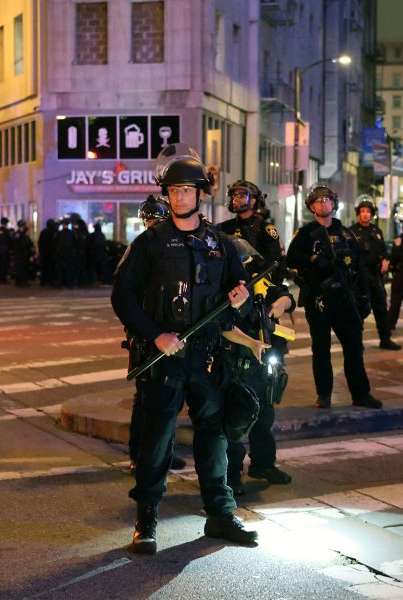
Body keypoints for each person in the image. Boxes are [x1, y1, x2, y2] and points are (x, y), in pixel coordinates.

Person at [112, 143, 258, 554]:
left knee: (213, 436)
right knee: (156, 439)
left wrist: (240, 299)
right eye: (172, 191)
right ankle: (146, 520)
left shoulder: (220, 243)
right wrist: (155, 335)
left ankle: (221, 513)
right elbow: (122, 295)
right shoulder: (151, 242)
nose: (179, 197)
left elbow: (240, 295)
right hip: (165, 357)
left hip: (207, 355)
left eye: (186, 190)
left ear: (200, 194)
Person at [286, 183, 381, 410]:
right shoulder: (305, 234)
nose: (323, 203)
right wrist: (313, 260)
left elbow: (360, 271)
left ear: (334, 203)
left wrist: (365, 297)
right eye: (318, 200)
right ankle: (324, 395)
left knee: (354, 348)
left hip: (345, 299)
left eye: (327, 199)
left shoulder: (346, 234)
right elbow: (290, 260)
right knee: (321, 349)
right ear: (311, 206)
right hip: (318, 300)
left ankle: (361, 394)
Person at [224, 239, 295, 496]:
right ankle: (231, 476)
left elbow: (285, 295)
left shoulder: (260, 278)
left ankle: (263, 465)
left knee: (265, 416)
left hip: (263, 359)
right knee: (235, 421)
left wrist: (281, 303)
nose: (245, 264)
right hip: (236, 361)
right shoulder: (223, 281)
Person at [125, 195, 186, 474]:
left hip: (168, 329)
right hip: (145, 333)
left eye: (156, 219)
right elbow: (125, 294)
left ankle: (161, 451)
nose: (151, 224)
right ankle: (139, 455)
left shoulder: (171, 248)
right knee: (146, 397)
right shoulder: (139, 249)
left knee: (167, 398)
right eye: (147, 219)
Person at [350, 196, 400, 350]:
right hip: (358, 277)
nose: (365, 214)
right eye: (362, 211)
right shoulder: (351, 231)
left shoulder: (376, 231)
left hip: (375, 275)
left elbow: (383, 251)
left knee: (381, 308)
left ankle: (385, 339)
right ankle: (356, 341)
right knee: (359, 309)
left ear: (372, 214)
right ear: (358, 213)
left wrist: (385, 260)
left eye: (368, 212)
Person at [219, 180, 287, 282]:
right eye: (234, 195)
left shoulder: (266, 229)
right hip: (229, 286)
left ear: (253, 201)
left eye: (241, 196)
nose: (235, 199)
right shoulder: (224, 227)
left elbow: (275, 261)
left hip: (257, 285)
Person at [11, 220, 34, 287]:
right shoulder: (19, 234)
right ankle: (21, 282)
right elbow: (23, 244)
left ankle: (21, 281)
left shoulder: (20, 234)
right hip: (21, 254)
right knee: (21, 268)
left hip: (21, 254)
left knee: (21, 268)